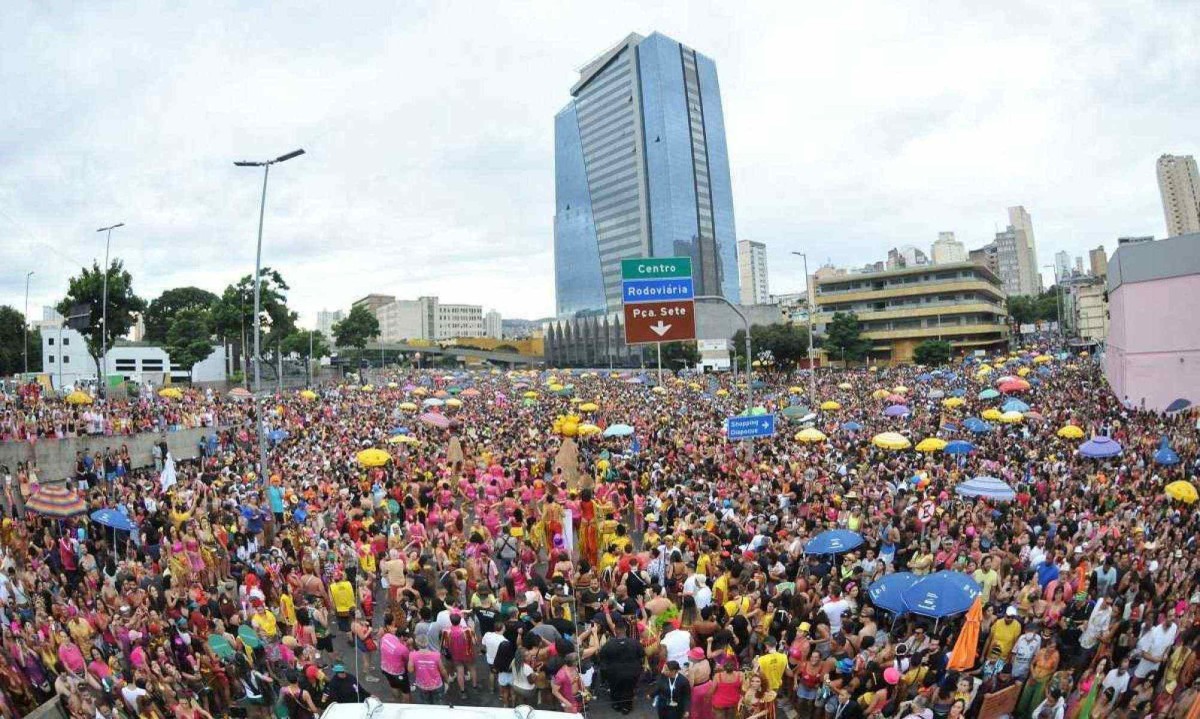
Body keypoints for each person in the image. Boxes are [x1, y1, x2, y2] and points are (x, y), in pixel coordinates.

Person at [599, 618, 645, 715]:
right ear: (626, 629)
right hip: (632, 671)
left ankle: (616, 705)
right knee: (629, 688)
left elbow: (602, 658)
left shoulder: (608, 644)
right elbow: (642, 655)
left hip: (614, 672)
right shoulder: (635, 643)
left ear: (616, 630)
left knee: (615, 688)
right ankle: (626, 707)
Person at [408, 636, 449, 705]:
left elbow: (410, 670)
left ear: (417, 644)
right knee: (438, 705)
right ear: (427, 643)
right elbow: (442, 670)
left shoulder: (412, 655)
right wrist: (447, 680)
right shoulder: (436, 655)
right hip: (436, 685)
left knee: (425, 705)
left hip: (422, 685)